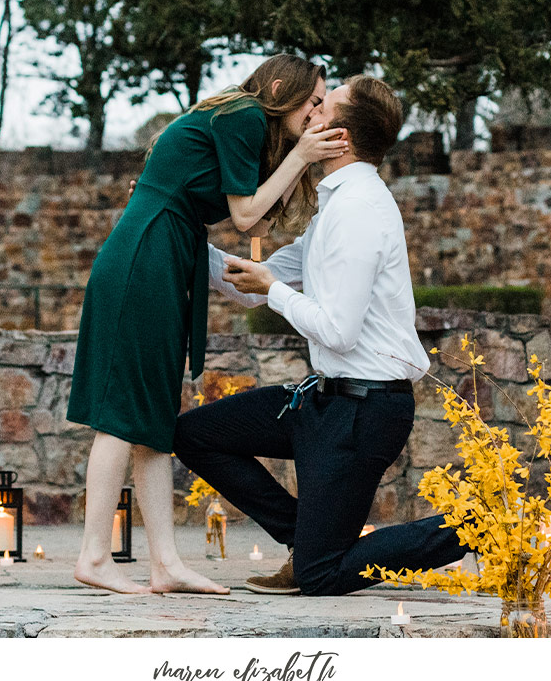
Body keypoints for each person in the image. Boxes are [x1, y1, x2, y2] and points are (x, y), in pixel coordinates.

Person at [174, 76, 466, 596]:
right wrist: (172, 224)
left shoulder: (358, 211)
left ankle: (470, 527)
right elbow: (250, 286)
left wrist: (273, 288)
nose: (307, 114)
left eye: (319, 108)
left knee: (321, 576)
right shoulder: (336, 204)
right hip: (322, 402)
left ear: (339, 136)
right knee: (195, 435)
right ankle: (303, 537)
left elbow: (337, 328)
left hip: (364, 412)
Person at [67, 55, 349, 595]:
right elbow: (244, 217)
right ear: (277, 88)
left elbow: (261, 220)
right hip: (146, 255)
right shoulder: (243, 113)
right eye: (314, 102)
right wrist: (305, 154)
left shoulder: (247, 127)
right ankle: (94, 556)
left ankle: (165, 564)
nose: (318, 113)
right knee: (124, 414)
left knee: (151, 419)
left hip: (163, 254)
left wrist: (298, 156)